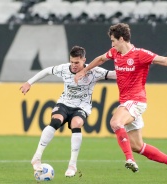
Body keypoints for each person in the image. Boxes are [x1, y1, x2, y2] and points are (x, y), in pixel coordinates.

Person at [75, 23, 167, 182]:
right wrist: (85, 70)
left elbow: (166, 61)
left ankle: (130, 160)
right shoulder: (115, 52)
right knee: (137, 146)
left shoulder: (140, 55)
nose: (111, 45)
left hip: (136, 101)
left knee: (115, 122)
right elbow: (100, 59)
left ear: (121, 39)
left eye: (113, 41)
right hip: (127, 103)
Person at [20, 46, 116, 177]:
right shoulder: (64, 69)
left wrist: (131, 71)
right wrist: (29, 83)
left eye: (77, 62)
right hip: (64, 103)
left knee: (76, 124)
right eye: (72, 62)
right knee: (55, 121)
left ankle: (72, 165)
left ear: (84, 60)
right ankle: (37, 157)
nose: (74, 65)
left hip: (82, 107)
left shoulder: (94, 71)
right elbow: (47, 71)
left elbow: (112, 74)